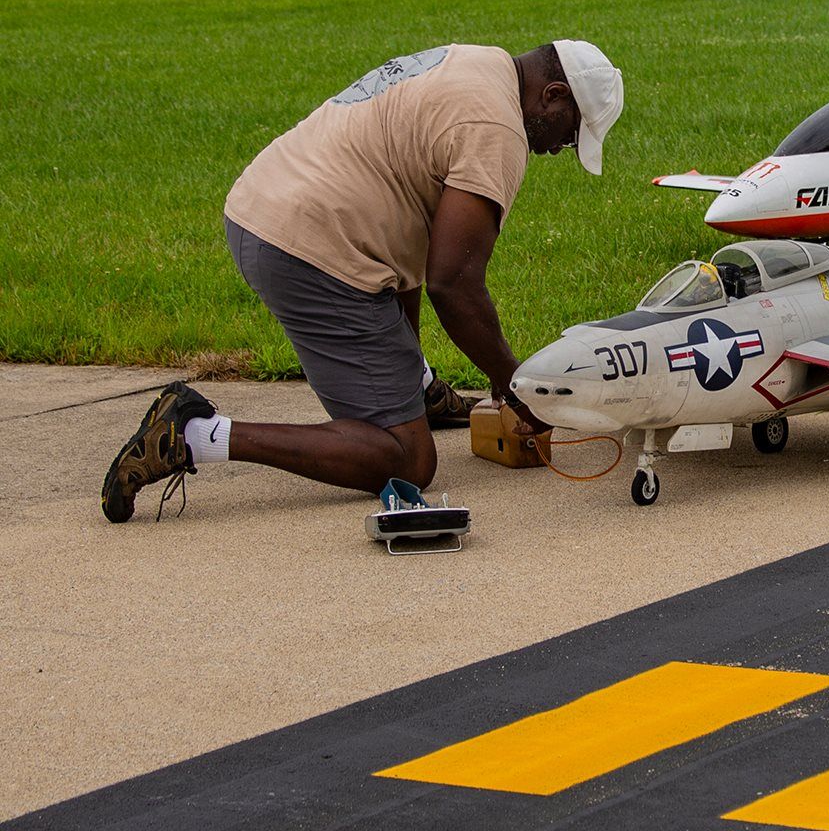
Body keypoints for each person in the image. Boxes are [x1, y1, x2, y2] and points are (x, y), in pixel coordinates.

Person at [100, 41, 623, 522]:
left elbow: (411, 247)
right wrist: (519, 387)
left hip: (267, 206)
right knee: (409, 459)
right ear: (553, 96)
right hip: (309, 247)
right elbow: (454, 284)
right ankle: (192, 434)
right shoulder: (498, 132)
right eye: (570, 131)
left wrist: (408, 372)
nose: (561, 147)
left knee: (403, 402)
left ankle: (416, 388)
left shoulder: (477, 62)